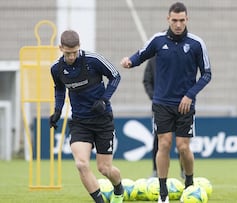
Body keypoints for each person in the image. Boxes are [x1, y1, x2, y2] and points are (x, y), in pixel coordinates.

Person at [121, 2, 212, 202]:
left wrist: (190, 95)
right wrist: (130, 61)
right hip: (161, 103)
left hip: (185, 104)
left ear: (187, 19)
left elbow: (207, 74)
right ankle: (163, 193)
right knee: (164, 144)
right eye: (174, 20)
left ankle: (189, 185)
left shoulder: (197, 44)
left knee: (183, 147)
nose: (178, 24)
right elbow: (141, 54)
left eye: (181, 20)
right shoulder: (157, 40)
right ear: (168, 19)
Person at [49, 30, 124, 203]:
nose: (72, 56)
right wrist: (58, 110)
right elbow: (59, 88)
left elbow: (115, 76)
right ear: (60, 48)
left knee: (104, 169)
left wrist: (104, 100)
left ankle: (119, 189)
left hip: (102, 120)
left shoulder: (93, 60)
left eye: (75, 52)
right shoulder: (56, 68)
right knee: (81, 164)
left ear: (79, 47)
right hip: (80, 122)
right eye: (68, 53)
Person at [142, 56, 185, 179]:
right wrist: (154, 97)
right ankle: (156, 170)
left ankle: (184, 170)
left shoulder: (177, 58)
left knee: (181, 141)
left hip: (179, 105)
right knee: (159, 140)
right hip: (160, 107)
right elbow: (147, 81)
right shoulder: (152, 61)